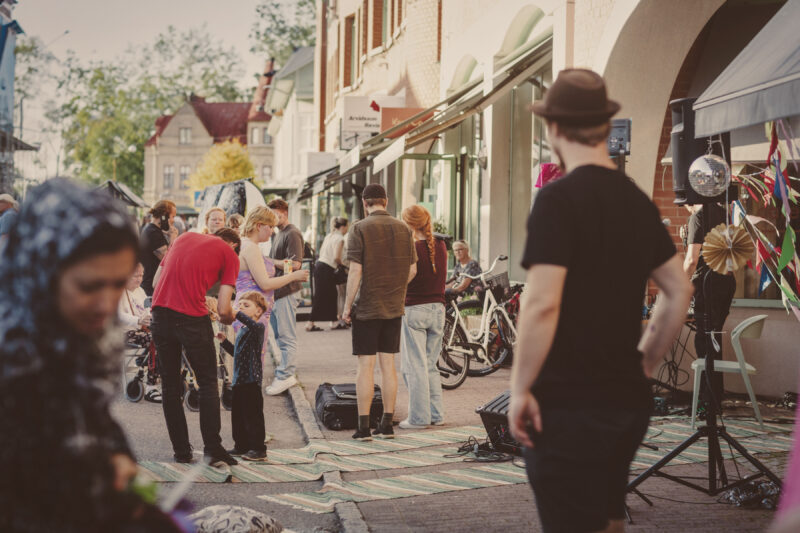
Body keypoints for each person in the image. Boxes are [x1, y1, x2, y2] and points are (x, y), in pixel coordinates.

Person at [508, 69, 693, 533]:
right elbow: (679, 291)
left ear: (553, 129)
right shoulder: (636, 201)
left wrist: (520, 388)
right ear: (604, 126)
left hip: (567, 401)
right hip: (624, 400)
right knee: (608, 520)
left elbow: (542, 304)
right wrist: (643, 366)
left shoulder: (557, 199)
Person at [0, 179, 182, 532]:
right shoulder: (13, 362)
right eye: (89, 285)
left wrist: (118, 468)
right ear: (44, 273)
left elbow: (95, 428)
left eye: (117, 284)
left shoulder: (81, 341)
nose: (106, 304)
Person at [150, 227, 242, 467]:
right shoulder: (230, 255)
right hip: (191, 318)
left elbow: (155, 281)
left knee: (170, 385)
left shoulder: (184, 237)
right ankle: (212, 448)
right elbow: (223, 309)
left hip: (160, 315)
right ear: (233, 245)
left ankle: (181, 451)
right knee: (208, 382)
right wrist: (230, 317)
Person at [342, 184, 417, 440]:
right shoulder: (405, 229)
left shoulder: (359, 228)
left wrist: (346, 306)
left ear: (365, 203)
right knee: (389, 366)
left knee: (365, 366)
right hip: (394, 307)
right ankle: (386, 424)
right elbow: (413, 270)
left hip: (367, 307)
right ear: (386, 201)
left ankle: (363, 428)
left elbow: (355, 270)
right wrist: (396, 289)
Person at [236, 206, 309, 360]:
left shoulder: (249, 244)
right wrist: (292, 274)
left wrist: (280, 264)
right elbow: (266, 282)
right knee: (253, 362)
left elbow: (292, 264)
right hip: (256, 307)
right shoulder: (252, 247)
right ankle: (284, 375)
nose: (272, 231)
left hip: (260, 304)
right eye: (270, 226)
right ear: (259, 225)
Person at [683, 202, 735, 410]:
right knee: (713, 340)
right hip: (725, 282)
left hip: (707, 285)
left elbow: (691, 260)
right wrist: (687, 237)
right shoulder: (725, 213)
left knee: (704, 342)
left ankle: (707, 402)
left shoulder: (698, 216)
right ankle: (713, 399)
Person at [400, 205, 447, 429]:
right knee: (430, 365)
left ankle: (419, 418)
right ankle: (436, 415)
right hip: (438, 309)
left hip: (415, 309)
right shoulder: (440, 245)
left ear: (408, 224)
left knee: (415, 365)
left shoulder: (411, 247)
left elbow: (409, 275)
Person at [217, 291, 269, 461]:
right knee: (237, 416)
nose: (240, 308)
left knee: (253, 415)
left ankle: (258, 449)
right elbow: (237, 354)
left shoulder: (258, 327)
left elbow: (251, 324)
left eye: (246, 306)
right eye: (239, 305)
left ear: (259, 311)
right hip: (239, 381)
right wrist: (225, 342)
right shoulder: (243, 330)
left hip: (251, 381)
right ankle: (241, 445)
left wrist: (236, 313)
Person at [265, 198, 305, 395]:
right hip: (280, 290)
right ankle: (284, 373)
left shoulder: (292, 233)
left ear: (283, 212)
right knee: (281, 334)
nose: (271, 219)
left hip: (288, 290)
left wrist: (271, 261)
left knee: (286, 335)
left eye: (274, 215)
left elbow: (295, 265)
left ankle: (286, 375)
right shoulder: (279, 233)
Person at [119, 263, 161, 403]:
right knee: (156, 340)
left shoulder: (140, 291)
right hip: (125, 333)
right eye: (135, 276)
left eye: (141, 275)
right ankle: (151, 386)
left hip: (141, 331)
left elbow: (147, 311)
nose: (139, 279)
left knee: (164, 337)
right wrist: (139, 320)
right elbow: (118, 316)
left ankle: (148, 367)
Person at [308, 217, 349, 331]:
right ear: (343, 227)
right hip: (327, 268)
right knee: (323, 296)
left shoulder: (329, 236)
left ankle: (334, 322)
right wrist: (343, 265)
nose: (347, 229)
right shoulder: (340, 238)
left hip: (319, 266)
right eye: (347, 226)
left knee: (330, 295)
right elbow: (336, 257)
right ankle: (310, 323)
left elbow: (321, 252)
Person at [140, 200, 178, 296]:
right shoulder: (153, 233)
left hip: (152, 285)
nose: (174, 220)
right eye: (173, 216)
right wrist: (173, 237)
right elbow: (168, 260)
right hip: (150, 288)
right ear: (164, 216)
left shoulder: (153, 230)